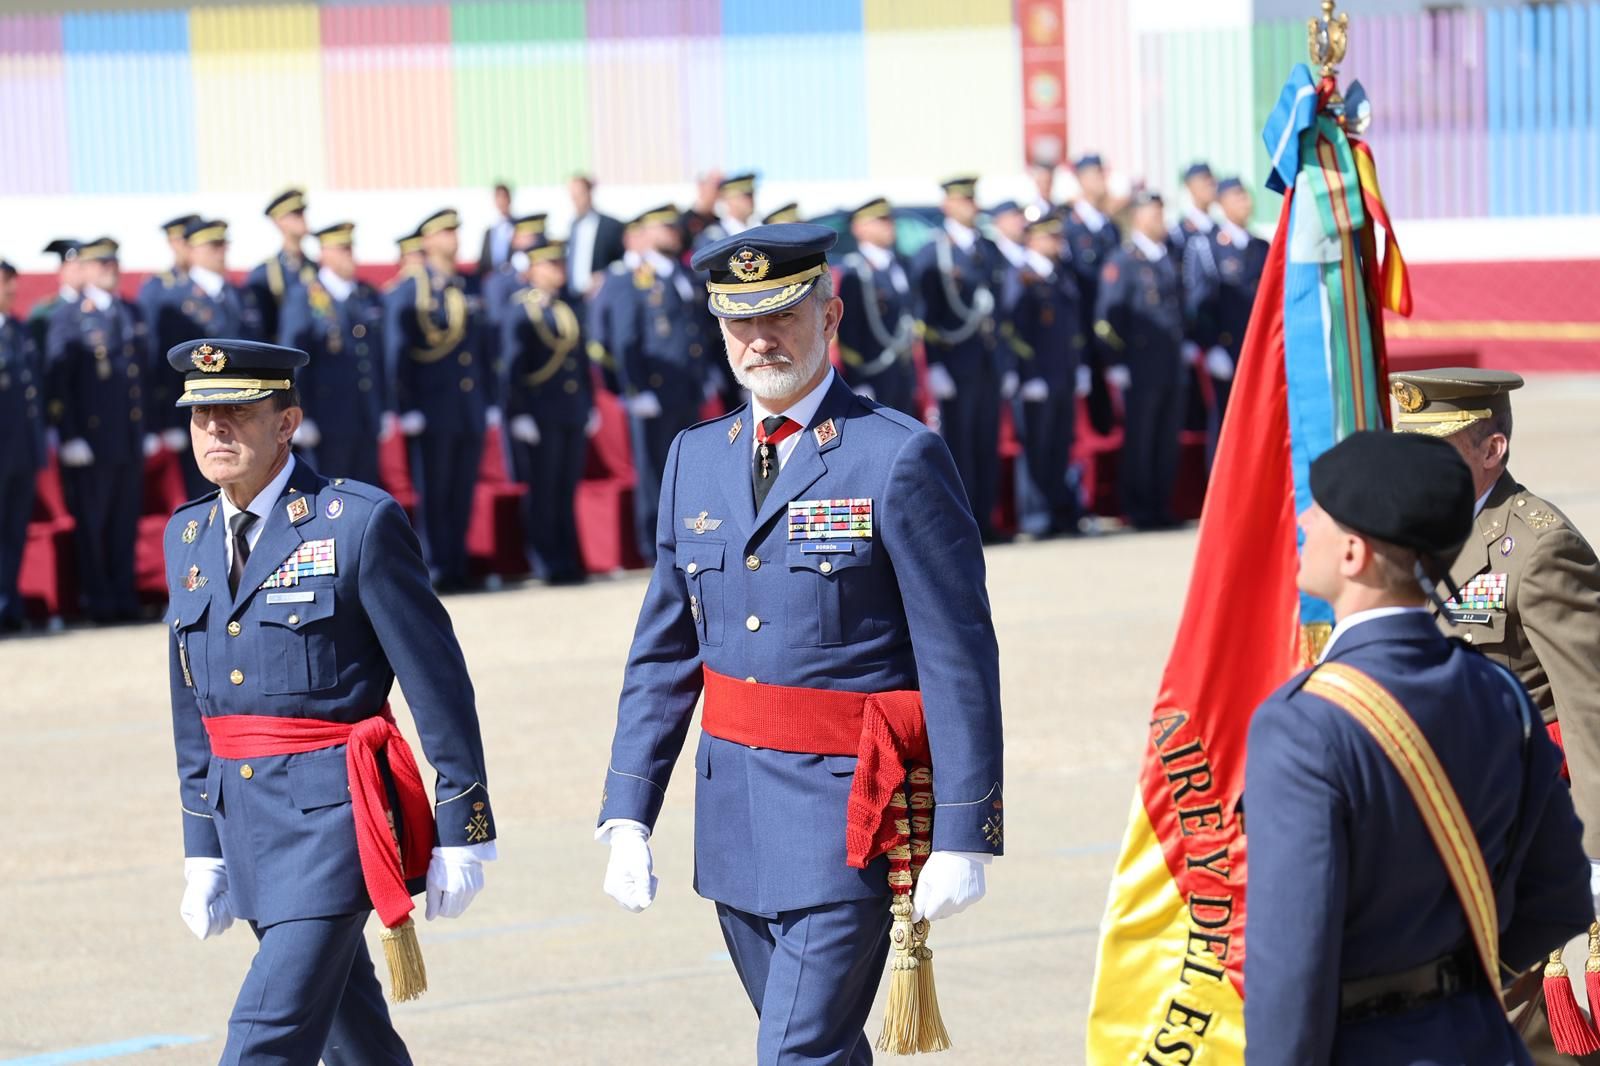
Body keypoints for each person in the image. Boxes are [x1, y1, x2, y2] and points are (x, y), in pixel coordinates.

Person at [598, 223, 1003, 1065]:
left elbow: (958, 655)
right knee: (821, 1053)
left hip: (846, 821)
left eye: (782, 314)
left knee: (794, 1055)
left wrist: (965, 831)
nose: (761, 340)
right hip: (734, 821)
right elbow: (665, 651)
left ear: (832, 315)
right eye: (741, 322)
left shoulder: (895, 457)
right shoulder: (694, 458)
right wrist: (629, 810)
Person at [161, 338, 496, 1065]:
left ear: (286, 423)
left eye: (237, 413)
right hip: (245, 822)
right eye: (200, 416)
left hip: (334, 822)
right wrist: (201, 846)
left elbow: (435, 676)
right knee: (356, 1036)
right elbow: (192, 703)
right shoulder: (185, 534)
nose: (215, 431)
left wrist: (464, 819)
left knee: (264, 1038)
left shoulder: (354, 522)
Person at [1244, 429, 1592, 1066]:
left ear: (1353, 553)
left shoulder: (1302, 725)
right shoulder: (1503, 697)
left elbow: (1289, 967)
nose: (1303, 519)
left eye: (1318, 509)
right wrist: (1456, 981)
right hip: (1483, 1040)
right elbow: (1562, 894)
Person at [1391, 368, 1600, 1062]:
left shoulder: (1538, 549)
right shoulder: (1412, 533)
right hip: (1439, 821)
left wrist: (1595, 858)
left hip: (1527, 830)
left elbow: (1590, 706)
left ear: (1492, 449)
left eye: (1438, 447)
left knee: (1530, 1030)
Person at [44, 237, 147, 623]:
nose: (109, 268)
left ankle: (124, 597)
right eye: (100, 262)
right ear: (83, 269)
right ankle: (99, 600)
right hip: (90, 439)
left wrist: (148, 427)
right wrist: (68, 433)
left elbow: (142, 376)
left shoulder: (130, 311)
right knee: (93, 523)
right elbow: (59, 382)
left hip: (128, 436)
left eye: (112, 261)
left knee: (124, 521)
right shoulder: (69, 316)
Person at [386, 209, 489, 591]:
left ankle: (458, 563)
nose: (453, 238)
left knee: (461, 491)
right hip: (431, 407)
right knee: (435, 491)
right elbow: (397, 353)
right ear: (427, 241)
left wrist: (487, 401)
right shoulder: (411, 291)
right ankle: (436, 568)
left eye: (455, 231)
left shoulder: (464, 286)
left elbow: (480, 350)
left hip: (467, 407)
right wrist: (405, 405)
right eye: (444, 232)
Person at [609, 204, 710, 565]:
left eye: (674, 227)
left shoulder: (683, 274)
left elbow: (698, 330)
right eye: (663, 227)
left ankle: (685, 538)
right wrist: (636, 388)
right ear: (647, 233)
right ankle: (653, 545)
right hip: (654, 388)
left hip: (687, 387)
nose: (672, 232)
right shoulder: (635, 278)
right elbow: (624, 340)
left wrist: (707, 373)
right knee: (654, 469)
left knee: (687, 468)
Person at [912, 176, 1008, 542]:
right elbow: (927, 314)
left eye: (972, 199)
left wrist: (1006, 362)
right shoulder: (934, 252)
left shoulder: (987, 247)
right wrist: (934, 363)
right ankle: (965, 523)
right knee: (960, 447)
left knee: (987, 443)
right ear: (947, 206)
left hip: (988, 360)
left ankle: (988, 518)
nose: (970, 205)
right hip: (955, 360)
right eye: (962, 200)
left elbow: (1001, 310)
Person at [501, 234, 595, 584]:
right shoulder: (521, 310)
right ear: (534, 269)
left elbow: (579, 360)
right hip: (540, 412)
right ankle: (546, 560)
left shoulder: (564, 306)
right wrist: (519, 411)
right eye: (550, 264)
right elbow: (512, 366)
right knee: (543, 490)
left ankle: (568, 559)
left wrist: (587, 403)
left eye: (560, 263)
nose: (559, 270)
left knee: (564, 488)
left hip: (569, 410)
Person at [1094, 191, 1185, 530]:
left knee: (1165, 439)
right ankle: (1138, 507)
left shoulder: (1167, 256)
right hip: (1139, 365)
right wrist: (1116, 361)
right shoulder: (1124, 260)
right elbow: (1105, 320)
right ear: (1139, 218)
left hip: (1170, 364)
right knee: (1141, 441)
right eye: (1154, 214)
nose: (1161, 220)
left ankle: (1161, 505)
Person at [157, 218, 266, 497]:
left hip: (244, 407)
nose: (219, 251)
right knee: (207, 494)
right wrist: (168, 420)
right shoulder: (175, 299)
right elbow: (165, 365)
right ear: (191, 250)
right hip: (202, 411)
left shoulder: (241, 296)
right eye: (211, 245)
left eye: (222, 244)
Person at [278, 222, 387, 485]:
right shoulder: (304, 297)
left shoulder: (365, 295)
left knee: (363, 496)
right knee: (329, 497)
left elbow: (377, 358)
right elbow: (294, 360)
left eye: (350, 248)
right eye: (342, 249)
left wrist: (384, 407)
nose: (349, 255)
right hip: (326, 419)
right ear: (324, 254)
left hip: (364, 416)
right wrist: (299, 412)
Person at [1003, 211, 1086, 537]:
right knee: (1036, 448)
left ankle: (1060, 512)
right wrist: (1028, 374)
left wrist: (1078, 367)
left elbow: (1071, 328)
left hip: (1062, 374)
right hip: (1036, 378)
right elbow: (1013, 330)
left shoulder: (1059, 275)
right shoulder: (1021, 276)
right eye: (1050, 236)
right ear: (1034, 238)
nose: (1057, 242)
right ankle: (1036, 517)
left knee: (1059, 445)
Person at [1183, 177, 1266, 447]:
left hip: (1257, 349)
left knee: (1257, 425)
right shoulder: (1207, 245)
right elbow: (1198, 301)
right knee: (1224, 428)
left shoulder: (1261, 246)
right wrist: (1210, 346)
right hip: (1225, 351)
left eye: (1246, 196)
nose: (1245, 202)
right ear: (1222, 203)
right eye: (1236, 197)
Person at [835, 198, 918, 417]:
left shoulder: (901, 264)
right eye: (880, 220)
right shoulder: (855, 273)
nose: (889, 225)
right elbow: (848, 331)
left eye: (889, 219)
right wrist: (857, 380)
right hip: (874, 374)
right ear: (859, 228)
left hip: (902, 371)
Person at [0, 259, 46, 632]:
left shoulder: (18, 329)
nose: (11, 289)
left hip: (21, 453)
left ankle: (9, 606)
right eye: (5, 282)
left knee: (14, 533)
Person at [138, 215, 200, 417]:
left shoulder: (210, 287)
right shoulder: (156, 289)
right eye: (186, 241)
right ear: (173, 243)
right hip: (174, 392)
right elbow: (152, 350)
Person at [246, 189, 316, 346]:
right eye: (296, 214)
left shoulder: (316, 269)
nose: (303, 219)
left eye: (303, 212)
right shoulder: (264, 275)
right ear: (279, 221)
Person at [566, 174, 626, 297]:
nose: (576, 201)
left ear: (589, 193)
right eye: (573, 197)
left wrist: (604, 276)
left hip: (600, 294)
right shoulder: (573, 226)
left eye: (579, 195)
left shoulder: (610, 226)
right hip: (575, 297)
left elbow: (623, 260)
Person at [27, 239, 85, 356]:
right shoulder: (45, 310)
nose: (80, 272)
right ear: (61, 270)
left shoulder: (92, 306)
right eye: (74, 268)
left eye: (82, 267)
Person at [691, 172, 759, 251]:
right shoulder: (713, 237)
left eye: (751, 195)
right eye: (745, 196)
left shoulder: (758, 230)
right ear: (729, 200)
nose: (751, 201)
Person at [477, 181, 515, 279]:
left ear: (509, 199)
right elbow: (484, 261)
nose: (501, 201)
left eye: (504, 197)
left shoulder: (518, 228)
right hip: (494, 278)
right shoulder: (490, 231)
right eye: (498, 197)